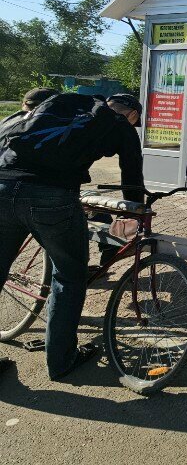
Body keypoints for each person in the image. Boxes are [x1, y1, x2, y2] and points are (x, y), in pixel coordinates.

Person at [0, 92, 145, 380]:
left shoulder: (65, 103)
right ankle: (61, 361)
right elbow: (131, 174)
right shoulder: (119, 125)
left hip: (3, 185)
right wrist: (133, 215)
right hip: (52, 194)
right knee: (69, 275)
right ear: (132, 115)